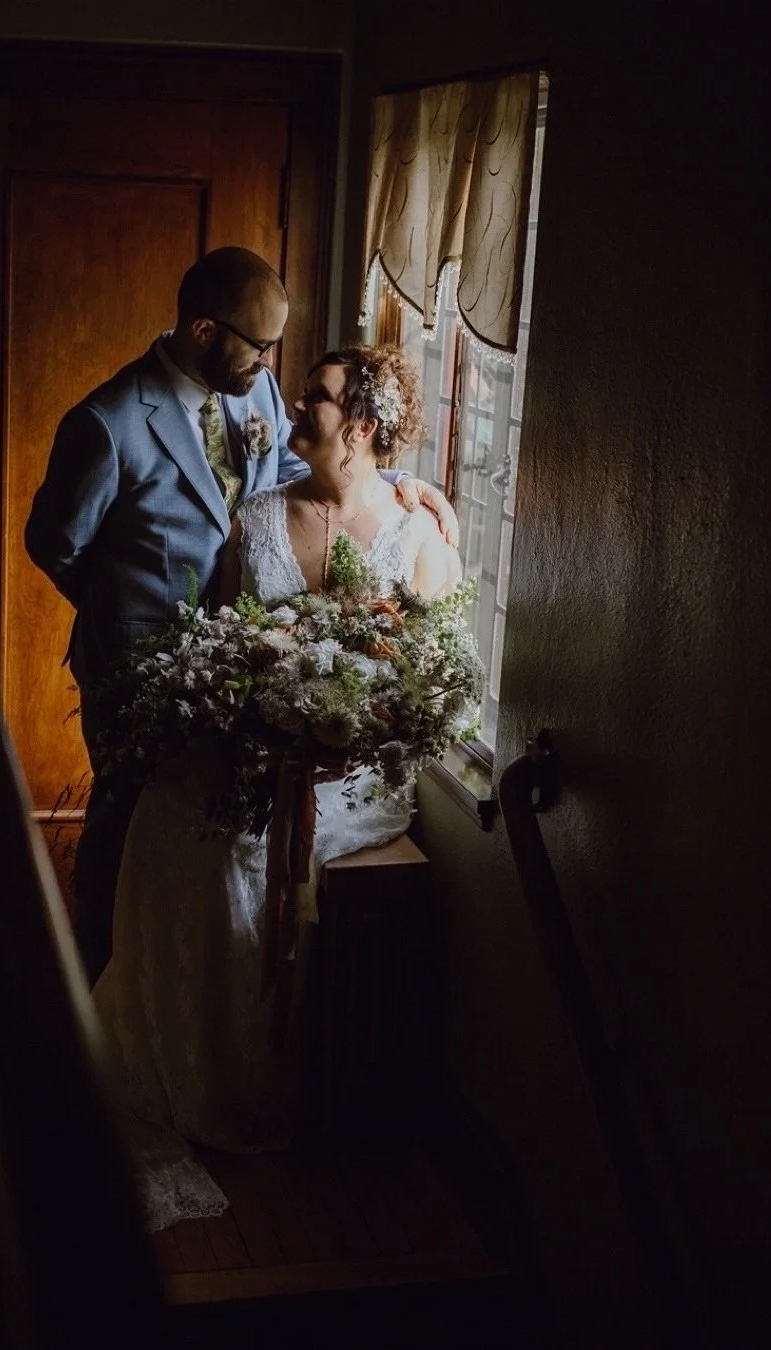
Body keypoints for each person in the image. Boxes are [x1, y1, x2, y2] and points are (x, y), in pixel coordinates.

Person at [93, 343, 462, 1230]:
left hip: (353, 772)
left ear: (363, 426)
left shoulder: (416, 535)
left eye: (319, 400)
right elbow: (223, 633)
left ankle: (251, 1090)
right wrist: (238, 715)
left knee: (236, 853)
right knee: (167, 814)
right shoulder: (258, 514)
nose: (297, 405)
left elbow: (429, 686)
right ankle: (182, 1063)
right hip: (256, 742)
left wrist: (332, 732)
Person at [25, 248, 458, 986]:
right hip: (144, 667)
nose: (269, 365)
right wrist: (125, 614)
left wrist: (397, 478)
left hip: (247, 669)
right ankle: (95, 989)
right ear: (202, 331)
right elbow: (55, 545)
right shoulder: (107, 423)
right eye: (258, 345)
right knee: (127, 829)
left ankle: (190, 986)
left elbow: (301, 471)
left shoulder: (249, 394)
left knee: (204, 839)